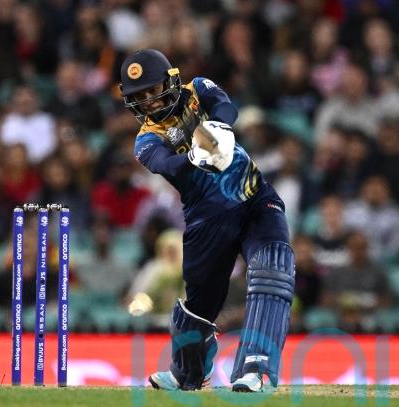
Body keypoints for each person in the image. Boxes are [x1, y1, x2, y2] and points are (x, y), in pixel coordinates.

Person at [120, 49, 295, 392]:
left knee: (272, 270)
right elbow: (167, 165)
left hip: (254, 199)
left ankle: (256, 369)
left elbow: (226, 107)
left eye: (152, 90)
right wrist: (196, 156)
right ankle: (187, 373)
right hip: (206, 219)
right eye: (139, 97)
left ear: (170, 81)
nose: (149, 101)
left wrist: (216, 127)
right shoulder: (146, 140)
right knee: (199, 305)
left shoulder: (198, 88)